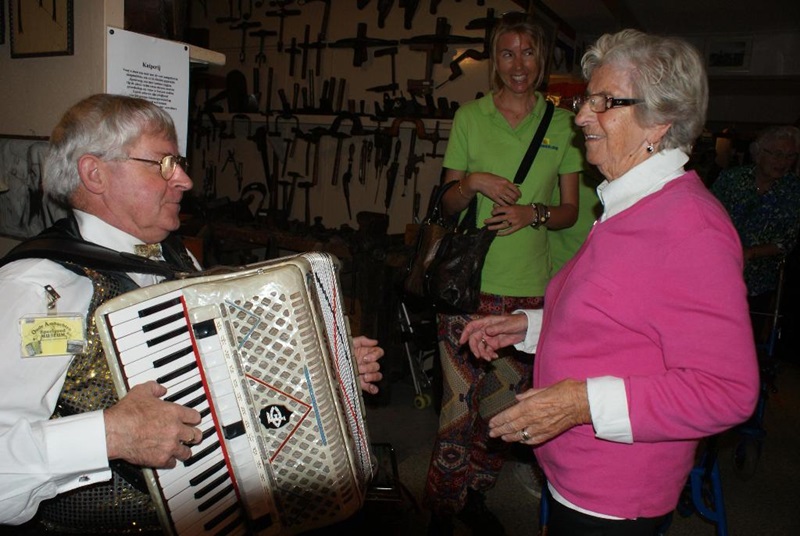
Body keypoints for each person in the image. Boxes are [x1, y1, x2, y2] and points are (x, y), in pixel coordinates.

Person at [0, 94, 383, 533]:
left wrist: (320, 365)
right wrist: (110, 435)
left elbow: (229, 376)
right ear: (95, 173)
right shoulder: (39, 288)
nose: (183, 179)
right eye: (163, 164)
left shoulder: (174, 257)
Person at [460, 29, 759, 536]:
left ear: (659, 121)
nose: (579, 117)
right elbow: (617, 315)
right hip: (577, 473)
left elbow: (727, 392)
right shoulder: (628, 204)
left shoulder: (689, 228)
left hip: (616, 492)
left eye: (603, 102)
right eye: (584, 100)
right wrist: (529, 326)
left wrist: (579, 403)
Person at [423, 12, 584, 536]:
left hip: (528, 300)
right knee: (456, 409)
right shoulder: (470, 116)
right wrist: (473, 181)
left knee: (504, 415)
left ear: (543, 60)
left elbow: (569, 212)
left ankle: (476, 496)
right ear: (496, 60)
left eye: (529, 53)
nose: (519, 65)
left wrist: (530, 214)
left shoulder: (562, 124)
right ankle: (441, 509)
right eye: (508, 53)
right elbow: (446, 203)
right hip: (464, 289)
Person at [711, 125, 800, 344]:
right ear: (759, 153)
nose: (783, 161)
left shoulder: (793, 191)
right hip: (720, 270)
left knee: (745, 338)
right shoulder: (732, 179)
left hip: (760, 279)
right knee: (712, 331)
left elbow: (789, 239)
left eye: (790, 156)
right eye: (777, 154)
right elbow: (708, 217)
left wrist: (751, 253)